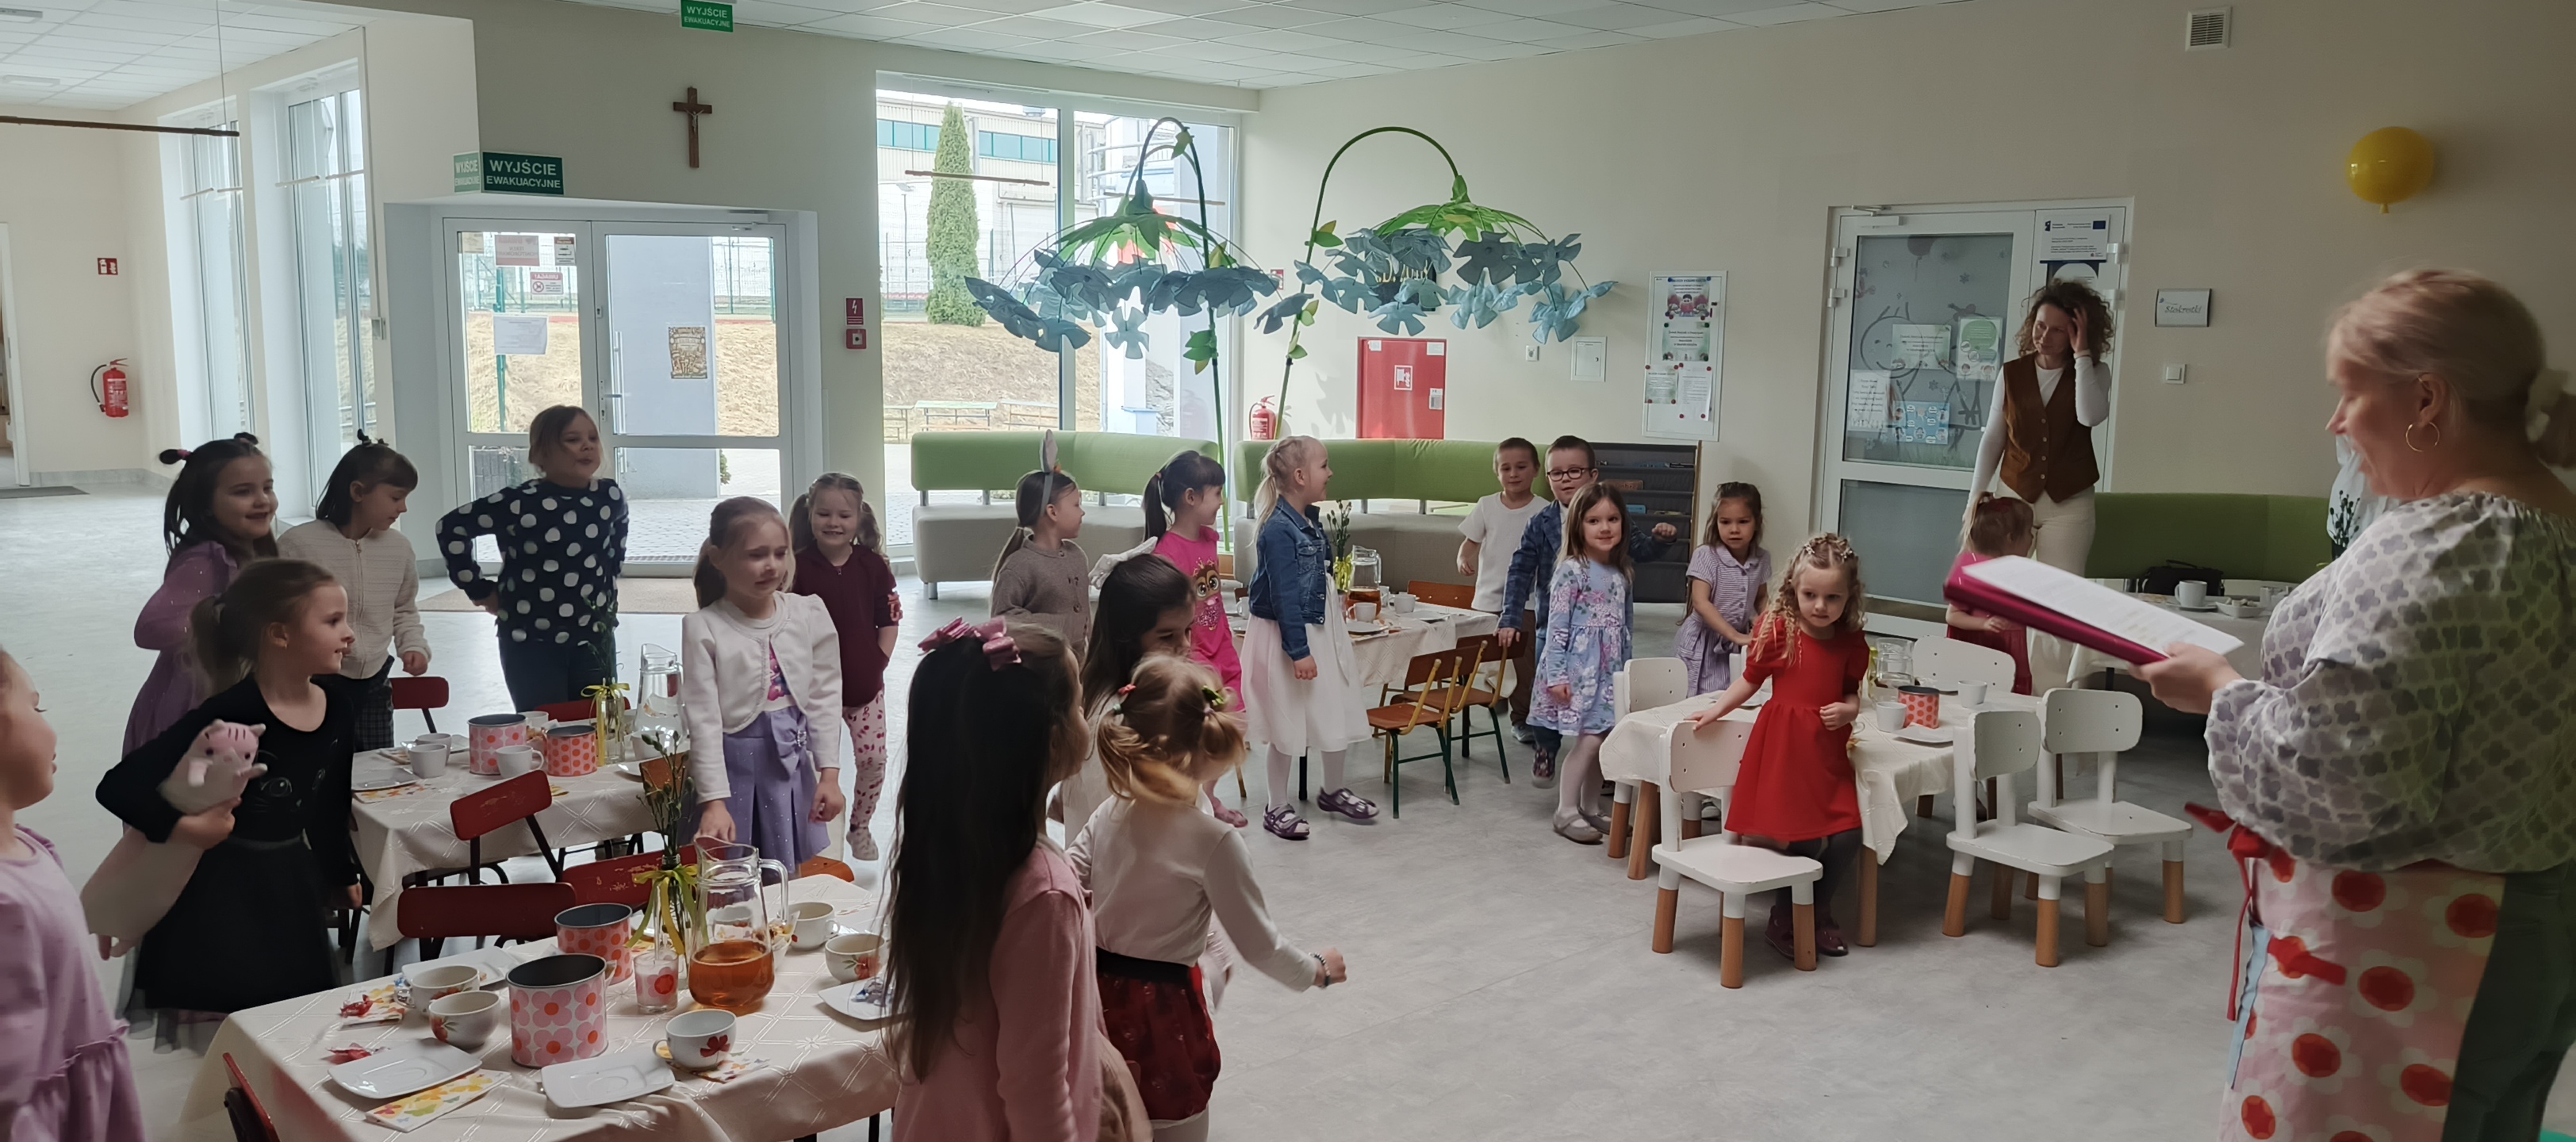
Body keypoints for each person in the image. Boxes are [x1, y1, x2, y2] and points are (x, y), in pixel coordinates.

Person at [2133, 270, 2576, 1142]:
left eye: (2348, 394)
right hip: (2533, 925)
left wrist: (2219, 693)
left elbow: (2338, 779)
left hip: (2408, 947)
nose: (2335, 423)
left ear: (2426, 400)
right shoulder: (2556, 525)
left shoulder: (2432, 546)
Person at [1072, 656, 1347, 1142]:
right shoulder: (1214, 841)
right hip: (1162, 1013)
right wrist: (1314, 970)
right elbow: (1260, 946)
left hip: (1095, 1003)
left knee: (1108, 1124)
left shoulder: (1109, 811)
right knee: (1176, 1128)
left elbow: (1067, 883)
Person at [96, 559, 363, 1033]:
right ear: (279, 634)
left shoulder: (338, 706)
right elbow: (119, 786)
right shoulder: (231, 714)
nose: (350, 635)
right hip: (222, 896)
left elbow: (328, 805)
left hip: (290, 884)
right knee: (248, 1025)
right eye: (332, 621)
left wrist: (339, 872)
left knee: (301, 1019)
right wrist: (186, 827)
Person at [887, 620, 1103, 1142]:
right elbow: (1036, 1092)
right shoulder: (1044, 893)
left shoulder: (949, 849)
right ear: (1054, 740)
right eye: (1078, 704)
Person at [1687, 535, 1871, 960]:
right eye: (1810, 595)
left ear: (1850, 595)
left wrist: (1849, 710)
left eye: (1833, 597)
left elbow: (1851, 690)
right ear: (1794, 589)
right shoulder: (1780, 630)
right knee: (1800, 841)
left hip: (1826, 755)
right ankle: (1785, 918)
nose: (1820, 606)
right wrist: (1716, 710)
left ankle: (1818, 910)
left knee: (1848, 834)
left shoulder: (1850, 641)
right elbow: (1750, 680)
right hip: (1786, 751)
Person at [0, 646, 149, 1140]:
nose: (50, 725)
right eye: (36, 706)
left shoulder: (31, 846)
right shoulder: (4, 902)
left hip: (81, 1095)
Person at [1496, 435, 1677, 784]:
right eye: (1557, 473)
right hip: (1556, 627)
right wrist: (1511, 617)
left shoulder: (1611, 517)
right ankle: (1547, 749)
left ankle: (1602, 765)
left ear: (1593, 475)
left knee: (1606, 700)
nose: (1565, 480)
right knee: (1549, 693)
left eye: (1574, 471)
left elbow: (1640, 549)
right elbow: (1520, 570)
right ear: (1547, 478)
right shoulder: (1541, 522)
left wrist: (1661, 540)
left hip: (1606, 635)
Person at [680, 497, 844, 867]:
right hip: (730, 783)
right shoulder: (704, 628)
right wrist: (714, 802)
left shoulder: (808, 613)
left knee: (784, 877)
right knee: (731, 881)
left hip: (790, 775)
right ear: (718, 558)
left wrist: (829, 775)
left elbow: (825, 697)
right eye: (756, 555)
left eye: (780, 553)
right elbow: (703, 721)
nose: (772, 565)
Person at [436, 405, 628, 710]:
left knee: (597, 724)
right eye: (573, 439)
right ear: (542, 453)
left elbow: (617, 537)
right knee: (542, 724)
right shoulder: (519, 502)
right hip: (531, 643)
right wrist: (479, 590)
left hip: (594, 639)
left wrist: (611, 574)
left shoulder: (609, 496)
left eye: (593, 438)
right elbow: (451, 527)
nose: (587, 446)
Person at [1240, 436, 1377, 840]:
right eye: (1324, 465)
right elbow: (1284, 596)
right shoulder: (1278, 530)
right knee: (1286, 716)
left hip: (1320, 630)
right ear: (1300, 476)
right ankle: (1276, 805)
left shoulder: (1310, 521)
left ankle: (1332, 790)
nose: (1330, 472)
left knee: (1334, 704)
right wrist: (1298, 651)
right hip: (1291, 635)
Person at [126, 434, 277, 753]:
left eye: (267, 487)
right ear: (206, 504)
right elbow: (150, 629)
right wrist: (227, 620)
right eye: (243, 492)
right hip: (194, 705)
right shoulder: (206, 560)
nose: (263, 500)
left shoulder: (253, 549)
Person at [279, 437, 430, 751]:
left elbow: (404, 608)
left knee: (377, 765)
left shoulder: (399, 548)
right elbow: (279, 616)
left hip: (375, 681)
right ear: (358, 492)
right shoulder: (298, 545)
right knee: (322, 766)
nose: (403, 508)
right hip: (316, 681)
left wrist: (413, 645)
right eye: (396, 497)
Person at [788, 473, 902, 861]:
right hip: (811, 691)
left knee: (873, 760)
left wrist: (879, 662)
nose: (833, 523)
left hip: (864, 690)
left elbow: (888, 619)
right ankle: (815, 836)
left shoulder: (873, 566)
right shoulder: (796, 567)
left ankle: (859, 826)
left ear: (859, 518)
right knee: (813, 766)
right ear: (810, 515)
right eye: (824, 514)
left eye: (844, 515)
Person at [1142, 450, 1250, 827]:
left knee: (1234, 724)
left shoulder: (1208, 539)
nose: (1221, 501)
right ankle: (1195, 804)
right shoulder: (1166, 552)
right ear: (1190, 497)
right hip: (1194, 657)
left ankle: (1208, 795)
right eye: (1217, 493)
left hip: (1223, 647)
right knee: (1203, 730)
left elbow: (1212, 596)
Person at [1529, 484, 1636, 845]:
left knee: (1604, 740)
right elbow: (1557, 626)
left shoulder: (1621, 572)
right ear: (1578, 525)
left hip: (1610, 673)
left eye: (1612, 519)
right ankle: (1565, 810)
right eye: (1594, 521)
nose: (1605, 528)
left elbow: (1625, 629)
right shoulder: (1571, 571)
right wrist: (1557, 675)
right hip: (1579, 673)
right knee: (1589, 741)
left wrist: (1626, 674)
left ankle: (1590, 806)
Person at [1068, 556, 1204, 837]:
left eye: (1188, 630)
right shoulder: (1117, 719)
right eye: (1167, 636)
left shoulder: (1151, 698)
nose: (1184, 646)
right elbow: (1127, 831)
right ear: (1127, 638)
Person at [1455, 437, 1544, 735]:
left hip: (1527, 602)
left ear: (1536, 470)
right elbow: (1471, 540)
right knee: (1486, 657)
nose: (1513, 474)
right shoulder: (1487, 505)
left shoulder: (1544, 510)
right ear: (1497, 472)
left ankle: (1522, 718)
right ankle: (1496, 693)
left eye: (1521, 467)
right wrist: (1463, 557)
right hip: (1487, 599)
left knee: (1523, 661)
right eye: (1506, 468)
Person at [1673, 481, 1769, 697]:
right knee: (1699, 699)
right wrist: (1735, 635)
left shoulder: (1761, 558)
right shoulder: (1706, 555)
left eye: (1743, 522)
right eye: (1725, 522)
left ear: (1757, 522)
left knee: (1733, 696)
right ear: (1716, 522)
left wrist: (1767, 624)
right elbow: (1701, 602)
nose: (1734, 530)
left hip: (1737, 645)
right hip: (1703, 643)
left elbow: (1762, 598)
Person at [1943, 495, 2036, 696]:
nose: (2032, 538)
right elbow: (1952, 615)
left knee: (2010, 696)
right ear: (2011, 538)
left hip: (2010, 650)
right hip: (1979, 651)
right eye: (2029, 532)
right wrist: (1984, 624)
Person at [992, 469, 1091, 647]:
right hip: (1042, 662)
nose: (1082, 512)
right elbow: (1003, 620)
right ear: (1053, 512)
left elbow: (1085, 617)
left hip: (1079, 661)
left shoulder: (1077, 555)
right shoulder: (1018, 566)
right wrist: (1063, 625)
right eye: (1076, 505)